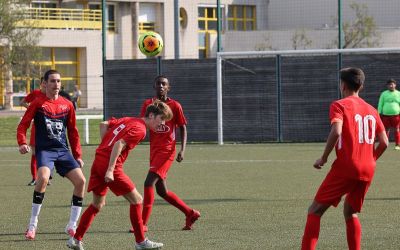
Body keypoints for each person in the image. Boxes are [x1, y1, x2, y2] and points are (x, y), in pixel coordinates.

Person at [301, 67, 388, 250]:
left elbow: (337, 131)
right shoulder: (372, 110)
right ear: (361, 86)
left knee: (314, 211)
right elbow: (385, 142)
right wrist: (370, 159)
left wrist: (323, 158)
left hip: (347, 166)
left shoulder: (339, 105)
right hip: (368, 168)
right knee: (350, 213)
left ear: (343, 85)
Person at [67, 100, 172, 250]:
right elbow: (119, 144)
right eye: (161, 119)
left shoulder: (129, 120)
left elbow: (104, 124)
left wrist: (105, 148)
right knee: (137, 200)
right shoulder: (141, 129)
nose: (162, 124)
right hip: (109, 166)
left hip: (98, 161)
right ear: (151, 115)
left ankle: (75, 239)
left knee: (97, 204)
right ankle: (141, 242)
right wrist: (110, 169)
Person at [17, 69, 86, 240]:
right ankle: (32, 225)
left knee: (81, 181)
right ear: (45, 84)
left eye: (58, 81)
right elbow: (23, 125)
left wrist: (77, 155)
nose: (56, 84)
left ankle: (72, 225)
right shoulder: (37, 103)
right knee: (43, 179)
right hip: (45, 151)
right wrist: (22, 143)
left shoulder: (67, 104)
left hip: (62, 151)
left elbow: (73, 132)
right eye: (53, 81)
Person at [132, 75, 200, 233]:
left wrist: (182, 150)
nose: (161, 86)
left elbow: (182, 127)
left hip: (167, 151)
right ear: (154, 86)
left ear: (168, 87)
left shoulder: (175, 105)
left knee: (148, 183)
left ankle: (142, 224)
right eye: (158, 84)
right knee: (162, 191)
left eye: (164, 84)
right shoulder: (148, 104)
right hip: (154, 151)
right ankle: (190, 213)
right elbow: (142, 124)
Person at [20, 78, 46, 186]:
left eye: (47, 82)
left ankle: (46, 177)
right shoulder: (36, 93)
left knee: (47, 153)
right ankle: (34, 178)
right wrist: (31, 109)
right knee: (35, 153)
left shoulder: (52, 96)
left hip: (50, 129)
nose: (45, 85)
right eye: (44, 83)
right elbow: (22, 102)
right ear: (41, 84)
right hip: (37, 127)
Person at [377, 78, 400, 150]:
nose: (391, 85)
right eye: (389, 84)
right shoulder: (384, 94)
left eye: (392, 84)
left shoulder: (398, 93)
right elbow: (380, 103)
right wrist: (378, 113)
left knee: (397, 129)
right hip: (385, 116)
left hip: (396, 116)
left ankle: (397, 145)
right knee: (386, 130)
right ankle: (385, 144)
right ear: (387, 86)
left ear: (395, 85)